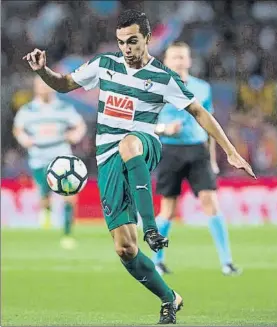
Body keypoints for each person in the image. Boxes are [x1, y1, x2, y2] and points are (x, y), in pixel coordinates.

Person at [22, 9, 255, 325]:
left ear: (147, 38)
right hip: (107, 163)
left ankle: (151, 227)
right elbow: (63, 84)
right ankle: (169, 298)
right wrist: (43, 71)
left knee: (129, 143)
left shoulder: (162, 77)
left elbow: (200, 112)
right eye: (121, 42)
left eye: (132, 41)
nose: (126, 49)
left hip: (144, 146)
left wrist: (230, 152)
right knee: (125, 249)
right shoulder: (105, 65)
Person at [153, 41, 241, 276]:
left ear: (189, 61)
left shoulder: (202, 88)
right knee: (168, 209)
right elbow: (144, 124)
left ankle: (227, 262)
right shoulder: (156, 88)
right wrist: (163, 129)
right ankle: (157, 261)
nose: (179, 61)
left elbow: (210, 124)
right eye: (175, 58)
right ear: (167, 62)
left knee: (210, 202)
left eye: (183, 57)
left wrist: (212, 159)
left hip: (198, 150)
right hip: (170, 151)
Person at [13, 76, 87, 249]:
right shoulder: (28, 110)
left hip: (61, 155)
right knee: (45, 196)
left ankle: (68, 234)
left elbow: (80, 125)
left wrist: (75, 135)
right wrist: (24, 139)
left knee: (70, 195)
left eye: (47, 85)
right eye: (41, 86)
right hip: (39, 156)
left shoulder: (64, 108)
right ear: (36, 88)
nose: (44, 89)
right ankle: (46, 209)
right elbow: (17, 129)